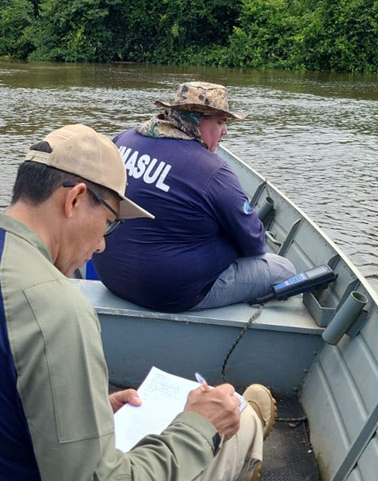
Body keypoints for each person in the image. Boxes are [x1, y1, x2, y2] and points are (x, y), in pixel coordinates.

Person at [0, 123, 277, 481]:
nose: (101, 247)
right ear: (75, 199)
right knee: (229, 425)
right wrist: (199, 425)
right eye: (109, 224)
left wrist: (82, 410)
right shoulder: (53, 306)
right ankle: (248, 441)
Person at [93, 82, 296, 311]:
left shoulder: (123, 140)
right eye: (220, 122)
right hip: (170, 293)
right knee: (284, 269)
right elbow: (255, 243)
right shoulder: (213, 171)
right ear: (197, 121)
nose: (225, 131)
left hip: (109, 276)